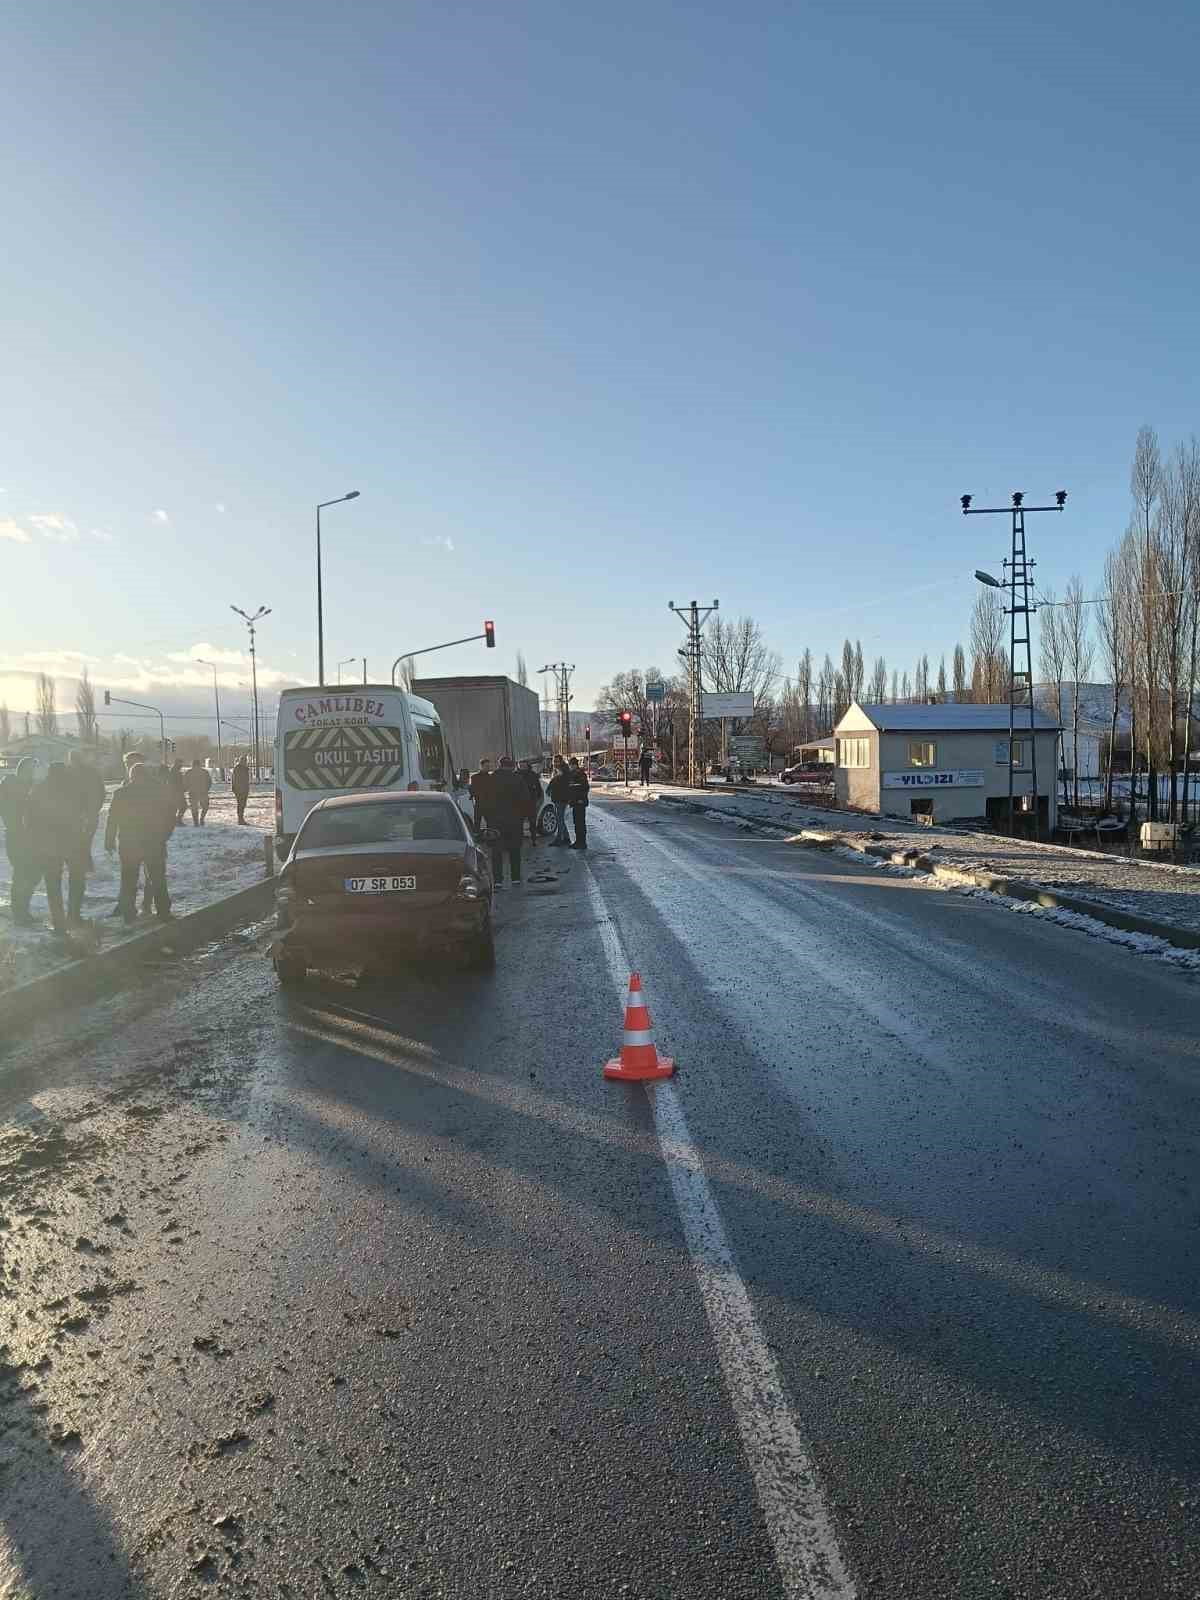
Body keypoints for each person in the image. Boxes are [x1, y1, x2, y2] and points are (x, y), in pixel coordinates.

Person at [105, 763, 172, 924]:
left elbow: (112, 819)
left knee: (128, 879)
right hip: (153, 842)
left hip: (129, 843)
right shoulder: (158, 793)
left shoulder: (121, 794)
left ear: (131, 776)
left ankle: (129, 914)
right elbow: (170, 816)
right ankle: (163, 911)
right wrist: (164, 835)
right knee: (157, 878)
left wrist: (109, 840)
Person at [27, 762, 88, 934]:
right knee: (77, 879)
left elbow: (29, 818)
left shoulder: (39, 790)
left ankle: (58, 922)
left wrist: (35, 839)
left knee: (53, 884)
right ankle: (74, 916)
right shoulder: (74, 789)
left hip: (49, 845)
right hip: (72, 842)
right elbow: (84, 812)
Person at [0, 757, 40, 927]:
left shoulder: (34, 786)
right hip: (16, 836)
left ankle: (23, 908)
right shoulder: (8, 786)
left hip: (33, 837)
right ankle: (19, 912)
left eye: (34, 768)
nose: (33, 771)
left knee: (34, 873)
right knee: (22, 873)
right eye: (30, 768)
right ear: (21, 769)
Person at [486, 756, 527, 886]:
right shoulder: (518, 779)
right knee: (515, 850)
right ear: (511, 766)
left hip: (496, 821)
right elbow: (525, 799)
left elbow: (484, 800)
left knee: (496, 851)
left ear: (499, 765)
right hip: (515, 821)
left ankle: (498, 880)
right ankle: (515, 878)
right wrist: (522, 817)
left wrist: (489, 819)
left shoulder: (491, 779)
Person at [68, 749, 107, 868]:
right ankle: (86, 865)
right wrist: (95, 809)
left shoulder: (68, 772)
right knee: (85, 841)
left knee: (78, 841)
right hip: (90, 814)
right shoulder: (92, 772)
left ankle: (81, 865)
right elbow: (101, 792)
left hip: (75, 814)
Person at [547, 755, 573, 847]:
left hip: (562, 798)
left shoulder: (564, 770)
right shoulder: (556, 770)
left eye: (557, 761)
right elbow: (553, 781)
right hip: (557, 797)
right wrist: (549, 788)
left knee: (559, 819)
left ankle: (559, 839)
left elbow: (563, 784)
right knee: (560, 819)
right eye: (554, 761)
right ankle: (566, 838)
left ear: (561, 761)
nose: (555, 763)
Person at [566, 756, 590, 850]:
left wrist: (581, 798)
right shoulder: (573, 774)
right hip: (575, 802)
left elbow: (585, 788)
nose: (570, 767)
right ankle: (578, 841)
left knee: (580, 823)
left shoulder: (580, 774)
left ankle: (582, 842)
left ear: (574, 765)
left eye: (571, 765)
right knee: (577, 822)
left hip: (580, 802)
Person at [518, 759, 543, 845]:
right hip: (519, 803)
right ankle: (520, 840)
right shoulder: (516, 775)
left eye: (523, 765)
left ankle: (534, 839)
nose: (521, 767)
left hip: (531, 802)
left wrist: (537, 800)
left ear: (527, 765)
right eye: (520, 765)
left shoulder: (533, 775)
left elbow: (539, 788)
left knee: (532, 822)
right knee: (519, 823)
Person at [184, 758, 212, 825]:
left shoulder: (189, 772)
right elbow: (209, 782)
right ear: (199, 764)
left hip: (193, 792)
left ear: (192, 764)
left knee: (194, 808)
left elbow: (185, 782)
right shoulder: (204, 772)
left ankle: (195, 821)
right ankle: (202, 819)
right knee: (205, 806)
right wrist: (206, 789)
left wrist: (187, 789)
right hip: (203, 792)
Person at [468, 758, 493, 833]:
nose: (488, 768)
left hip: (489, 803)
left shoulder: (491, 777)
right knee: (477, 822)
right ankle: (477, 837)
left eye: (489, 766)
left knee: (490, 822)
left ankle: (490, 837)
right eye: (486, 766)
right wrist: (473, 794)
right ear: (481, 766)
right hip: (479, 803)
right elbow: (472, 790)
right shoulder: (475, 777)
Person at [231, 756, 251, 824]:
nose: (245, 762)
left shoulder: (245, 768)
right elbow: (234, 779)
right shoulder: (237, 768)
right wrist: (234, 788)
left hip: (244, 789)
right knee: (241, 804)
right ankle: (240, 819)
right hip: (239, 789)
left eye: (245, 761)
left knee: (242, 804)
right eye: (244, 761)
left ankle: (241, 818)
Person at [169, 758, 187, 824]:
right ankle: (178, 820)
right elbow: (177, 782)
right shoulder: (175, 771)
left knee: (177, 807)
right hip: (177, 792)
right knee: (183, 806)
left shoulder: (174, 770)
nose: (182, 765)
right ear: (178, 763)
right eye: (181, 763)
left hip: (176, 792)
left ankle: (176, 820)